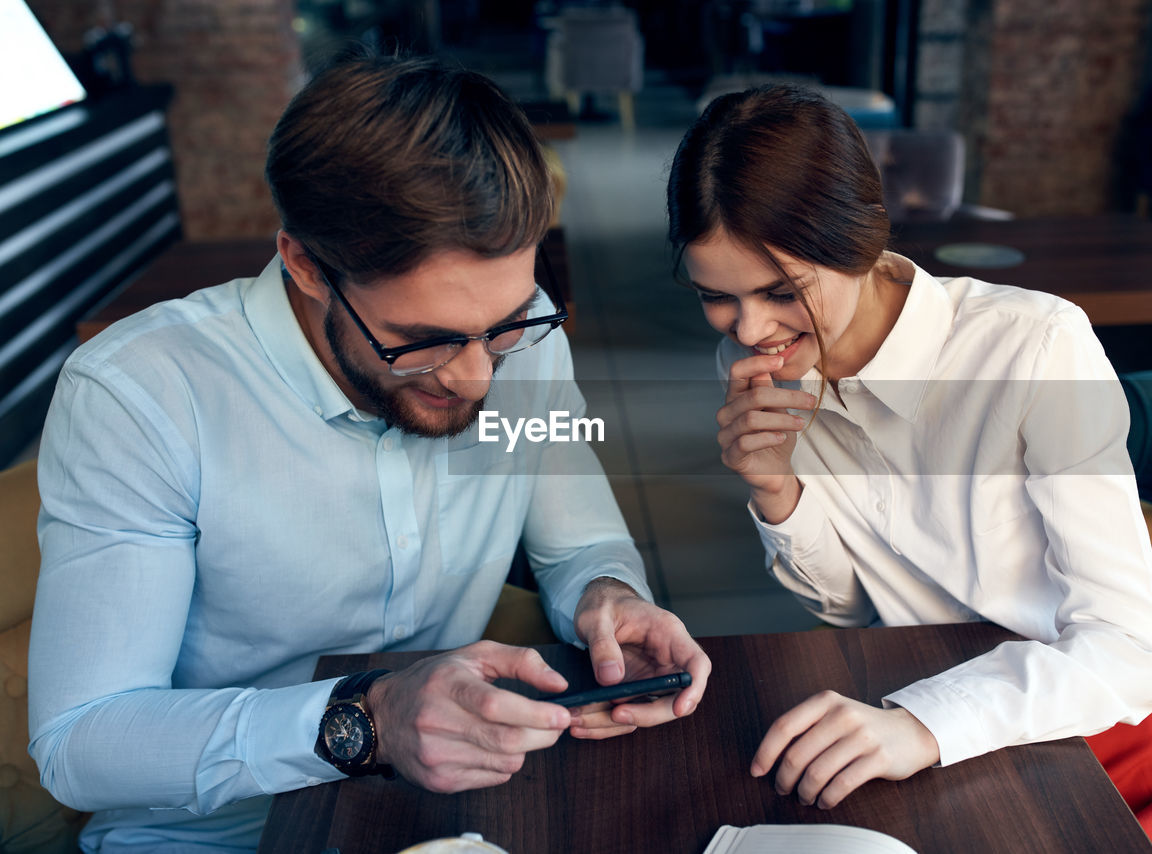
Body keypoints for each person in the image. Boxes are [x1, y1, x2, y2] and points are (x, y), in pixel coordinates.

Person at [28, 53, 709, 852]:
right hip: (220, 838)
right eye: (421, 343)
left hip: (457, 816)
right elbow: (82, 743)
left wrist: (607, 598)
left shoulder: (524, 341)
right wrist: (368, 719)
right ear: (306, 265)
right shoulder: (142, 394)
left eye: (505, 322)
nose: (477, 374)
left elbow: (582, 540)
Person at [665, 84, 1152, 853]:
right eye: (716, 298)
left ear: (857, 243)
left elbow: (1134, 649)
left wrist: (925, 724)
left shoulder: (1035, 348)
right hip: (922, 735)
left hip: (1097, 749)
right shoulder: (756, 361)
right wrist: (777, 490)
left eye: (781, 291)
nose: (751, 329)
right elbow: (848, 610)